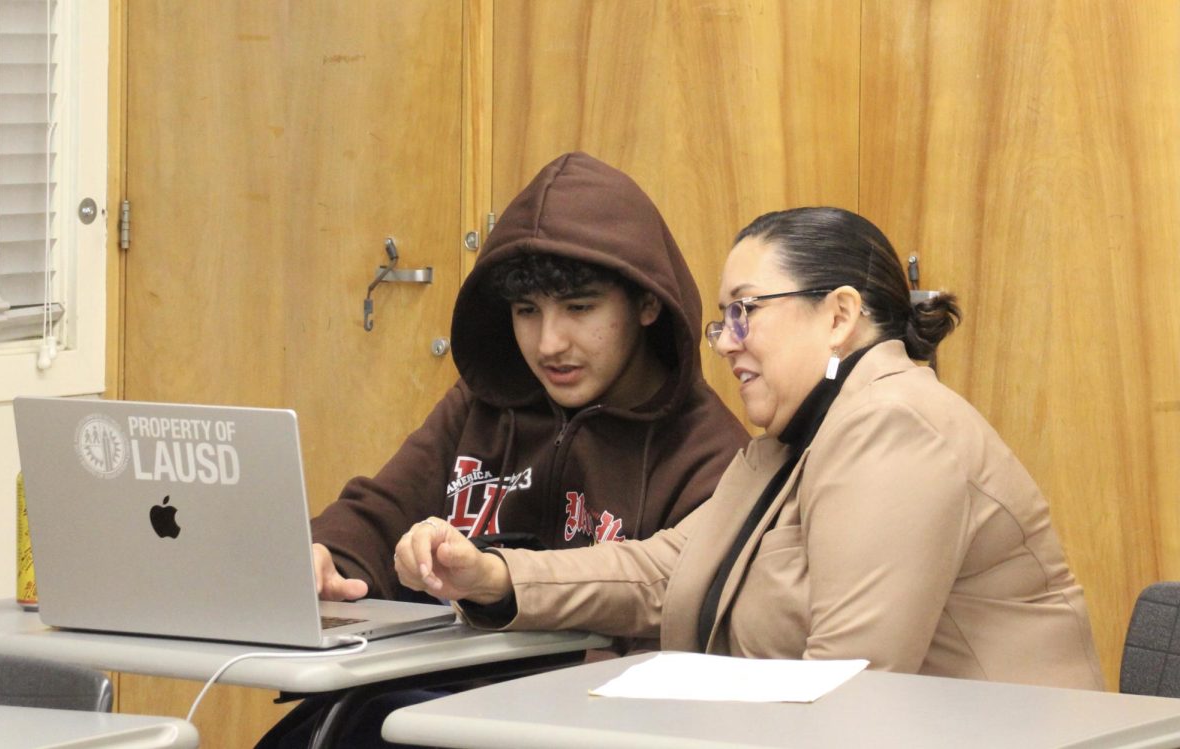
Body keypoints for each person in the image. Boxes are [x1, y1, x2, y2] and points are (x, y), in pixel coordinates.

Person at [396, 206, 1105, 689]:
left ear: (839, 314)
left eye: (746, 313)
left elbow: (844, 687)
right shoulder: (794, 440)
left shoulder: (895, 428)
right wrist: (492, 578)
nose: (727, 342)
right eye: (723, 319)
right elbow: (663, 569)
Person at [256, 153, 749, 747]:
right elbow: (383, 508)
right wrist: (327, 557)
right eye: (525, 312)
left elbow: (677, 635)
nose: (548, 343)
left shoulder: (712, 453)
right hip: (428, 701)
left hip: (576, 727)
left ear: (647, 304)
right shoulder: (484, 401)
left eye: (580, 308)